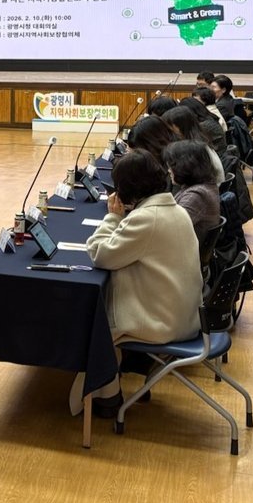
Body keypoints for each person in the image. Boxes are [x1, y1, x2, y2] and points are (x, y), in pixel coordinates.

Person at [78, 150, 201, 416]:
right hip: (186, 314)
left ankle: (107, 398)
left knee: (95, 323)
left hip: (163, 322)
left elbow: (100, 254)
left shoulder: (147, 218)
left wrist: (112, 217)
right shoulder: (176, 209)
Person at [164, 139, 222, 255]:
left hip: (184, 257)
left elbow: (169, 231)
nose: (169, 170)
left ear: (184, 166)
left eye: (172, 165)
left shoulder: (197, 196)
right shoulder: (202, 186)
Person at [162, 106, 225, 183]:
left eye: (170, 127)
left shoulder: (193, 148)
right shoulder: (200, 140)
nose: (169, 131)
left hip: (209, 187)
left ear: (180, 126)